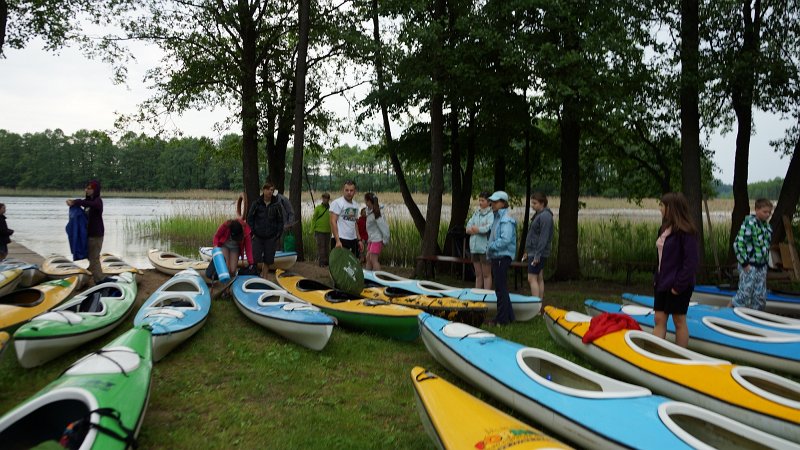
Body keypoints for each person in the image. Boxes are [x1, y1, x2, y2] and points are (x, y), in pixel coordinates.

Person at [653, 192, 699, 348]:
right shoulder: (664, 229)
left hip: (679, 285)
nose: (660, 209)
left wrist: (678, 287)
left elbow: (691, 262)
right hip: (662, 283)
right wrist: (656, 279)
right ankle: (654, 354)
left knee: (679, 320)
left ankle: (680, 355)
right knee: (659, 319)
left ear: (671, 208)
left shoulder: (687, 232)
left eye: (662, 205)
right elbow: (660, 258)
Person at [732, 198, 774, 311]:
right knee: (745, 293)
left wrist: (766, 263)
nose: (768, 215)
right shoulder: (749, 224)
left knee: (760, 296)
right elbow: (738, 244)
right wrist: (745, 263)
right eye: (765, 212)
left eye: (769, 212)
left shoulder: (767, 227)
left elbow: (766, 247)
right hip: (749, 265)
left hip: (762, 266)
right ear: (756, 210)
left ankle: (756, 315)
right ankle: (728, 311)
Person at [486, 191, 517, 326]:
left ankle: (501, 319)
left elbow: (505, 240)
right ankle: (510, 317)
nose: (492, 204)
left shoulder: (506, 220)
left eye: (495, 201)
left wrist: (491, 247)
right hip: (497, 256)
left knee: (500, 288)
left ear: (503, 203)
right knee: (501, 287)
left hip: (501, 256)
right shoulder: (497, 217)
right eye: (492, 201)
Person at [67, 180, 104, 285]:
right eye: (86, 188)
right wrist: (72, 203)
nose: (86, 190)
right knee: (90, 257)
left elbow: (90, 204)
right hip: (88, 234)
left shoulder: (98, 201)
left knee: (94, 258)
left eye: (89, 188)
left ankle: (100, 280)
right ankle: (92, 274)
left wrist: (76, 202)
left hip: (96, 234)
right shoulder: (88, 202)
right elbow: (84, 203)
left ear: (95, 190)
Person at [247, 182, 285, 278]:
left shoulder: (276, 205)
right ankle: (255, 276)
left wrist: (277, 235)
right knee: (255, 258)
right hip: (257, 236)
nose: (270, 192)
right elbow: (250, 218)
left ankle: (264, 277)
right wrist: (252, 232)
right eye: (268, 189)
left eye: (272, 190)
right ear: (263, 190)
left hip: (271, 237)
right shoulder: (256, 203)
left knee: (268, 259)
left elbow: (280, 221)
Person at [522, 192, 554, 301]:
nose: (532, 205)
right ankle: (539, 304)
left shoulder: (545, 216)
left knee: (531, 278)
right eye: (532, 203)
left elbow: (543, 237)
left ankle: (535, 304)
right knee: (539, 277)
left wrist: (537, 255)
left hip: (538, 252)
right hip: (534, 251)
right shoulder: (539, 215)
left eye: (535, 203)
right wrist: (527, 251)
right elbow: (533, 235)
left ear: (542, 203)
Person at [465, 192, 493, 289]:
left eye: (483, 200)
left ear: (489, 202)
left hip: (484, 249)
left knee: (486, 275)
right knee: (478, 274)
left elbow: (488, 228)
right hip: (474, 248)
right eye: (479, 200)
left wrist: (477, 229)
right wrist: (475, 229)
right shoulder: (476, 213)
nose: (480, 202)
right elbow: (468, 227)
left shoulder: (491, 214)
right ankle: (477, 294)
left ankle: (486, 294)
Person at [330, 180, 361, 258]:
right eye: (346, 190)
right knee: (339, 263)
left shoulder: (356, 205)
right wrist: (337, 241)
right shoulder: (337, 203)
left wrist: (359, 240)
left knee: (352, 263)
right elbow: (333, 221)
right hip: (340, 239)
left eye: (351, 190)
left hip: (353, 239)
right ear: (343, 190)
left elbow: (354, 223)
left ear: (355, 191)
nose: (349, 192)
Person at [364, 193, 390, 271]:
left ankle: (377, 276)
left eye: (365, 201)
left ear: (369, 201)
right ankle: (367, 275)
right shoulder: (369, 211)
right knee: (368, 258)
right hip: (372, 239)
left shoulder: (377, 213)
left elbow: (384, 228)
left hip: (377, 239)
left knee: (373, 259)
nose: (365, 202)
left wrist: (385, 240)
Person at [311, 193, 332, 267]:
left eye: (327, 198)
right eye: (324, 198)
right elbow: (314, 219)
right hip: (319, 230)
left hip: (328, 230)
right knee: (321, 247)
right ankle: (321, 262)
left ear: (329, 199)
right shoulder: (318, 208)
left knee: (327, 247)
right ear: (322, 199)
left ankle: (326, 261)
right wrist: (312, 230)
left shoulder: (331, 208)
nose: (325, 200)